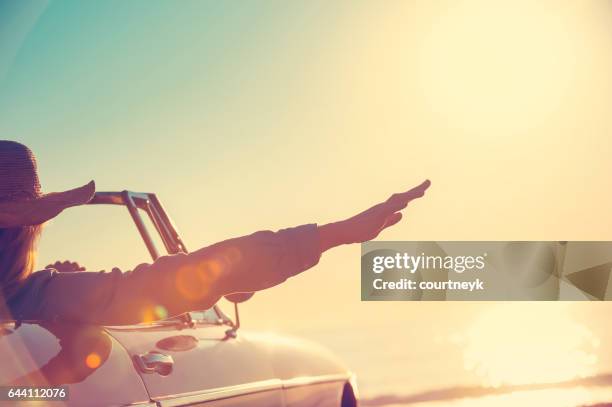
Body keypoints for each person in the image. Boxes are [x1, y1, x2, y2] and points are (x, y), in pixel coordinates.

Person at [0, 140, 430, 325]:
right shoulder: (34, 298)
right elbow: (185, 278)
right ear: (29, 229)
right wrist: (337, 233)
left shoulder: (32, 296)